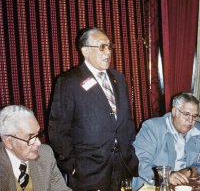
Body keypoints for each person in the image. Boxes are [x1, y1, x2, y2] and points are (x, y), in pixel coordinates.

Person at [48, 27, 138, 191]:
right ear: (85, 51)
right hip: (88, 172)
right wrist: (72, 166)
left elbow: (127, 120)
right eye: (102, 47)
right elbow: (58, 129)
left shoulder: (119, 78)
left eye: (109, 46)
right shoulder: (69, 81)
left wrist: (130, 151)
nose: (108, 52)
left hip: (122, 165)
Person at [132, 93, 200, 190]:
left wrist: (190, 171)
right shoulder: (152, 128)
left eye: (195, 116)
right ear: (174, 111)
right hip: (153, 185)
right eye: (186, 114)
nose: (191, 121)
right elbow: (139, 164)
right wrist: (167, 175)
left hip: (187, 184)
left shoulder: (198, 130)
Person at [0, 105, 71, 191]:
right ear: (8, 141)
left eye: (38, 134)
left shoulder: (45, 155)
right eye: (30, 138)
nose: (38, 143)